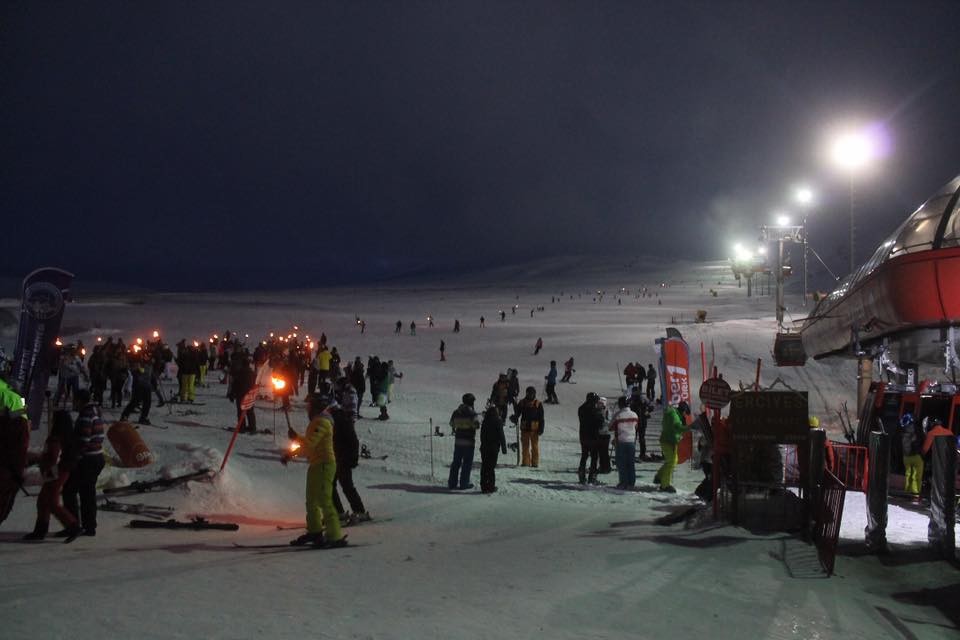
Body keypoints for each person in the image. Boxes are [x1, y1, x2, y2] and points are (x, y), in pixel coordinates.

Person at [282, 394, 347, 548]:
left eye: (310, 406)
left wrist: (296, 437)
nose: (307, 409)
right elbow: (308, 446)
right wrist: (290, 454)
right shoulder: (316, 422)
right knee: (311, 501)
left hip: (325, 465)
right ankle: (315, 531)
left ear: (317, 407)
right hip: (315, 464)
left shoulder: (323, 422)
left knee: (324, 500)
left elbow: (309, 444)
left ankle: (335, 535)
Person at [24, 410, 80, 542]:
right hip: (60, 471)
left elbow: (52, 457)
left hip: (54, 472)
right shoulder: (68, 437)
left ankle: (72, 525)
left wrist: (43, 464)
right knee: (44, 501)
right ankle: (41, 530)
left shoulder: (55, 438)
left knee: (50, 502)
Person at [62, 390, 105, 536]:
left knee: (70, 491)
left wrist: (75, 458)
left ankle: (73, 524)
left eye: (75, 400)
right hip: (96, 457)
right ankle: (89, 526)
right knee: (87, 493)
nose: (73, 403)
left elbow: (84, 440)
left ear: (80, 401)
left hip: (87, 459)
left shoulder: (86, 415)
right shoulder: (95, 412)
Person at [330, 395, 370, 525]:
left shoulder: (341, 420)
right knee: (330, 484)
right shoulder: (333, 419)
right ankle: (339, 512)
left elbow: (353, 440)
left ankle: (360, 511)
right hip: (336, 457)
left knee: (346, 485)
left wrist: (353, 458)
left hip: (344, 458)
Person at [656, 401, 691, 492]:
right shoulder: (674, 416)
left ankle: (659, 477)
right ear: (682, 410)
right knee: (671, 461)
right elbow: (678, 427)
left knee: (672, 461)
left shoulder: (672, 413)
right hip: (668, 441)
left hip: (669, 440)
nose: (685, 415)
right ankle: (665, 485)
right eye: (685, 412)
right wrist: (690, 427)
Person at [448, 393, 479, 490]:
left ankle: (452, 483)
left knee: (456, 463)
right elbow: (476, 426)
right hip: (469, 442)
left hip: (458, 441)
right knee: (467, 464)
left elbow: (451, 423)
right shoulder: (472, 413)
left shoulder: (456, 412)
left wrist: (461, 425)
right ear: (471, 402)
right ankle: (464, 483)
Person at [610, 396, 639, 489]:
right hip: (631, 441)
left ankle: (623, 482)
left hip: (621, 441)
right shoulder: (635, 415)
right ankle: (631, 483)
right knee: (630, 463)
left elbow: (610, 427)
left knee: (621, 463)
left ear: (620, 404)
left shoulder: (618, 415)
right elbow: (636, 427)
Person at [479, 401, 507, 493]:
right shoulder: (498, 421)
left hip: (484, 447)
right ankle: (490, 486)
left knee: (484, 466)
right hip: (493, 448)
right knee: (491, 467)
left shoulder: (485, 421)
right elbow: (501, 435)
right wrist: (504, 448)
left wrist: (482, 445)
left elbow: (482, 435)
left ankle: (483, 486)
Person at [513, 386, 545, 467]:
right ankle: (525, 462)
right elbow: (518, 413)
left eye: (531, 393)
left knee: (535, 447)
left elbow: (541, 418)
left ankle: (535, 463)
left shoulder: (538, 404)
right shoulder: (522, 402)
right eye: (528, 393)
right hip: (525, 428)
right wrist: (515, 417)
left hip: (535, 430)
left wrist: (541, 428)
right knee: (525, 447)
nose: (530, 395)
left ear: (534, 394)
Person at [577, 393, 602, 484]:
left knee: (584, 455)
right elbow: (600, 423)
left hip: (583, 435)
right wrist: (600, 412)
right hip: (593, 436)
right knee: (594, 457)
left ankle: (581, 475)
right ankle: (592, 477)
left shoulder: (581, 408)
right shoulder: (594, 410)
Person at [900, 413, 923, 499]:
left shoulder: (903, 430)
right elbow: (921, 440)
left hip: (906, 457)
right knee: (917, 475)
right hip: (916, 456)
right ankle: (915, 492)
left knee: (908, 474)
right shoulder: (917, 430)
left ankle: (907, 490)